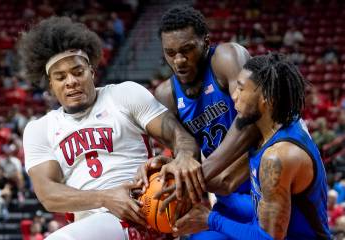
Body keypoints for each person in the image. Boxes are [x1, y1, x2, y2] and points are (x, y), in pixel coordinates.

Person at [20, 16, 201, 240]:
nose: (71, 81)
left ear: (92, 72)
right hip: (92, 225)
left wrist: (183, 157)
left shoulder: (124, 94)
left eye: (78, 72)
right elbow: (48, 194)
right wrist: (104, 198)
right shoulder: (39, 129)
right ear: (50, 84)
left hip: (142, 212)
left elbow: (180, 137)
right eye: (61, 77)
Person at [172, 53, 331, 239]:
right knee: (212, 223)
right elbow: (225, 182)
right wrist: (173, 172)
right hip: (265, 220)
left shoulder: (278, 157)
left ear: (267, 98)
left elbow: (267, 238)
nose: (233, 95)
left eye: (241, 89)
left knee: (204, 234)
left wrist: (209, 219)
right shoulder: (270, 125)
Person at [151, 6, 260, 239]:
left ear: (206, 42)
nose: (178, 60)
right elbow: (186, 155)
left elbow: (251, 118)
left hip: (258, 176)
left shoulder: (225, 58)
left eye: (187, 50)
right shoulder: (166, 95)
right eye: (170, 53)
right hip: (224, 196)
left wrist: (206, 172)